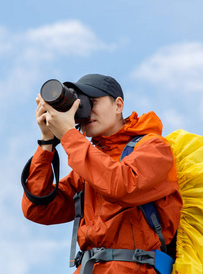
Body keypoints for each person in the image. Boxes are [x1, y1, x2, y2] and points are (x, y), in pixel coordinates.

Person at [22, 74, 182, 274]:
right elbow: (38, 209)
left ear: (118, 105)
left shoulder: (153, 147)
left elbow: (121, 185)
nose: (86, 111)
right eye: (79, 105)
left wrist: (69, 136)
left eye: (92, 102)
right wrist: (47, 143)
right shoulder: (88, 164)